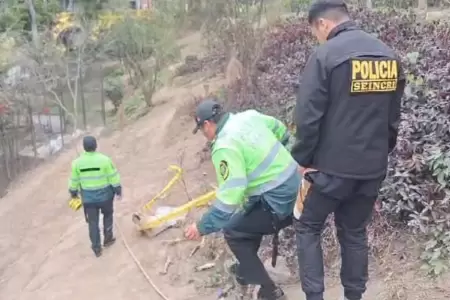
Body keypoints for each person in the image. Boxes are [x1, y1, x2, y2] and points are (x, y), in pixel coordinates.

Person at [291, 1, 406, 300]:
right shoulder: (388, 55)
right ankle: (353, 297)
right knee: (354, 233)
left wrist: (304, 160)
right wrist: (379, 155)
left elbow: (307, 117)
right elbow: (393, 117)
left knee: (307, 227)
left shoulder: (326, 55)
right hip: (371, 170)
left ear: (323, 24)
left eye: (315, 32)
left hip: (329, 170)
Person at [184, 99, 300, 300]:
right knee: (245, 218)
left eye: (202, 130)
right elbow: (281, 130)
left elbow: (230, 197)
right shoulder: (249, 116)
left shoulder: (224, 146)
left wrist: (202, 226)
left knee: (233, 231)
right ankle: (246, 269)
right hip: (300, 188)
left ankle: (270, 292)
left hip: (280, 204)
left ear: (207, 124)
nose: (205, 136)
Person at [68, 136, 122, 257]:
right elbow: (113, 176)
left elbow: (74, 180)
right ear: (96, 145)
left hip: (88, 199)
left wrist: (73, 192)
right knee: (108, 216)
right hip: (106, 196)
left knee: (93, 223)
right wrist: (118, 189)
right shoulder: (105, 160)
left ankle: (97, 248)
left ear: (84, 147)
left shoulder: (77, 163)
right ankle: (108, 239)